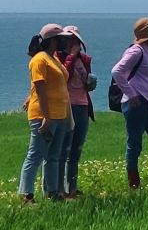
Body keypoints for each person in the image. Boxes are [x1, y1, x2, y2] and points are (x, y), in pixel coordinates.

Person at [113, 17, 148, 189]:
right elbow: (117, 71)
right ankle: (134, 183)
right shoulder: (136, 51)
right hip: (137, 104)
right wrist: (131, 94)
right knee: (135, 144)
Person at [21, 24, 72, 203]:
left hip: (59, 114)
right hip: (44, 116)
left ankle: (52, 192)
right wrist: (46, 117)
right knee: (35, 155)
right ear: (52, 40)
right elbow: (40, 89)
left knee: (53, 156)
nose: (64, 42)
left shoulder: (53, 58)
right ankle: (26, 195)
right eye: (61, 39)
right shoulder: (39, 59)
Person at [59, 25, 95, 198]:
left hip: (83, 104)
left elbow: (87, 79)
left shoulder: (85, 59)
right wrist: (71, 57)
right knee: (64, 148)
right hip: (68, 105)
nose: (72, 43)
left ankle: (72, 187)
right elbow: (63, 76)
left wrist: (90, 84)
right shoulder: (59, 57)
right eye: (69, 39)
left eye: (74, 40)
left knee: (76, 149)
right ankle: (61, 188)